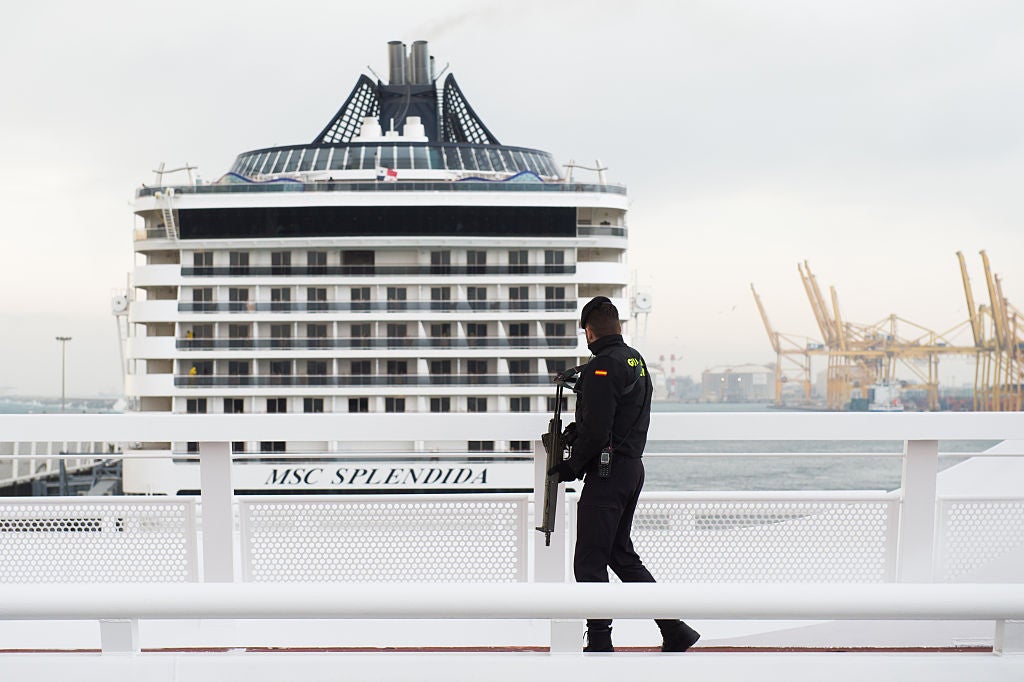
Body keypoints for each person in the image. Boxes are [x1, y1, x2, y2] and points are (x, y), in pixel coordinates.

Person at [549, 296, 700, 653]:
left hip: (608, 473)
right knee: (619, 554)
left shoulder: (602, 367)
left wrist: (572, 466)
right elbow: (616, 420)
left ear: (589, 331)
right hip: (630, 469)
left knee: (588, 561)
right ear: (617, 325)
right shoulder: (635, 360)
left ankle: (600, 641)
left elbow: (599, 429)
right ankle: (674, 628)